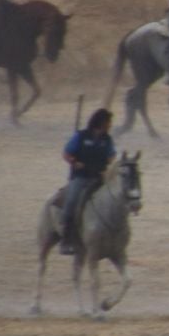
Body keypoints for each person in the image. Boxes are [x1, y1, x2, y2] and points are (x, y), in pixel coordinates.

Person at [58, 108, 116, 256]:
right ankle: (66, 239)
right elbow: (66, 153)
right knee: (71, 202)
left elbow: (112, 155)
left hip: (98, 177)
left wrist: (108, 161)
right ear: (101, 122)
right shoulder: (81, 136)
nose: (110, 125)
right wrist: (74, 162)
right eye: (109, 122)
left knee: (115, 200)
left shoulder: (107, 140)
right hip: (81, 177)